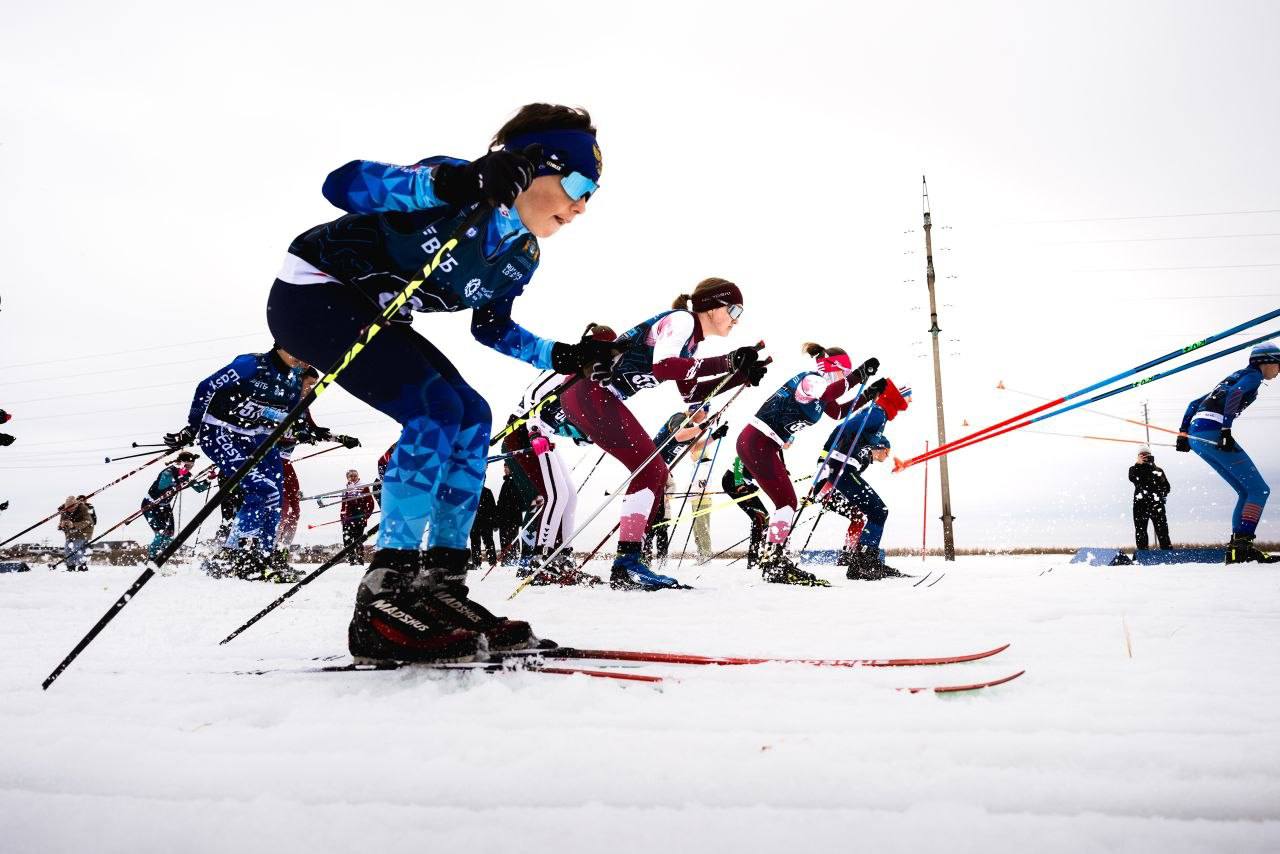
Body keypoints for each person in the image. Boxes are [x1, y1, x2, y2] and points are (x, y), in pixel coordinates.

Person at [264, 104, 620, 660]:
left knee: (472, 415)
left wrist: (564, 355)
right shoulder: (460, 185)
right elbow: (344, 185)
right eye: (576, 184)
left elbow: (492, 330)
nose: (581, 206)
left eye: (592, 194)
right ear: (532, 168)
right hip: (313, 292)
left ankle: (439, 585)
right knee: (434, 410)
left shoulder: (521, 255)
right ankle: (384, 595)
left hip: (380, 316)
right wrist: (455, 182)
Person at [560, 277, 766, 591]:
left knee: (653, 471)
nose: (737, 319)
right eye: (734, 309)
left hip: (592, 396)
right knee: (652, 469)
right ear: (712, 307)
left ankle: (630, 560)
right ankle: (627, 563)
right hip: (590, 392)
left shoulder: (691, 342)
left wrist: (740, 375)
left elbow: (691, 393)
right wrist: (728, 360)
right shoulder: (682, 320)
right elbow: (665, 367)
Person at [736, 343, 881, 584]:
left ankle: (774, 560)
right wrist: (859, 375)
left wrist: (868, 395)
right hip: (757, 441)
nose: (845, 377)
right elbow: (829, 392)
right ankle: (774, 562)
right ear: (834, 368)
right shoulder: (812, 380)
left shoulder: (823, 392)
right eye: (844, 372)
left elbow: (838, 412)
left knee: (785, 502)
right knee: (787, 502)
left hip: (763, 444)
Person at [166, 344, 306, 581]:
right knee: (261, 488)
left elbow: (283, 415)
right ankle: (237, 554)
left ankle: (264, 556)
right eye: (294, 349)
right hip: (219, 431)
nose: (299, 357)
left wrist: (301, 427)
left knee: (275, 493)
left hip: (253, 437)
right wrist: (192, 427)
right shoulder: (251, 365)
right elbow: (207, 386)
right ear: (280, 344)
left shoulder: (292, 381)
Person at [1177, 341, 1279, 563]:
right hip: (1213, 433)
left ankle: (1236, 550)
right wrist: (1226, 429)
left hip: (1198, 436)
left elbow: (1194, 403)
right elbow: (1236, 393)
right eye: (1278, 364)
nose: (1279, 370)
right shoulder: (1253, 376)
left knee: (1245, 491)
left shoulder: (1234, 376)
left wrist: (1183, 433)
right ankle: (1242, 547)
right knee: (1260, 490)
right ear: (1267, 361)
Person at [815, 382, 911, 580]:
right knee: (878, 511)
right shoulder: (877, 413)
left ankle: (861, 563)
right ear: (896, 398)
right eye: (907, 396)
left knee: (875, 512)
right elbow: (841, 428)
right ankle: (865, 563)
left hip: (843, 468)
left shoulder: (880, 415)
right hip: (841, 468)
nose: (910, 400)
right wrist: (823, 460)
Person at [277, 367, 361, 553]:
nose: (311, 390)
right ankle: (266, 550)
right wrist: (297, 433)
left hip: (285, 463)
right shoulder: (280, 400)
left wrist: (341, 439)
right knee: (282, 508)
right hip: (270, 460)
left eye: (314, 385)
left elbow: (316, 431)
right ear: (297, 381)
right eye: (308, 384)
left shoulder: (303, 408)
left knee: (294, 510)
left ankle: (282, 552)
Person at [140, 451, 211, 560]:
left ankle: (161, 559)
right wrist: (180, 476)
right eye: (187, 465)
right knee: (160, 534)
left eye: (191, 466)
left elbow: (199, 488)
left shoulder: (187, 475)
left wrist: (208, 480)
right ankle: (151, 559)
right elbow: (162, 486)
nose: (189, 468)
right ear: (180, 463)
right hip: (151, 505)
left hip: (165, 506)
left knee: (169, 536)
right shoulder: (168, 472)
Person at [722, 457, 770, 568]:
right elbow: (739, 459)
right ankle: (754, 559)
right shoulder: (763, 447)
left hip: (743, 481)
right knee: (760, 516)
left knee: (764, 517)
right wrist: (739, 484)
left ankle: (759, 556)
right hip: (734, 479)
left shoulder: (775, 451)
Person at [1129, 447, 1172, 551]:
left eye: (1146, 454)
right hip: (1140, 505)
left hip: (1156, 504)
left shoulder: (1158, 470)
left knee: (1162, 530)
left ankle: (1167, 553)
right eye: (1142, 455)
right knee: (1140, 531)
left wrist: (1161, 495)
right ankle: (1143, 554)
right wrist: (1138, 464)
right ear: (1138, 457)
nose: (1144, 457)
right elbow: (1133, 478)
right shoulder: (1134, 469)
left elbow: (1167, 487)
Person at [339, 469, 376, 565]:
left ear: (358, 476)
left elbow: (370, 503)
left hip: (359, 517)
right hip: (347, 519)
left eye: (355, 475)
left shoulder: (363, 487)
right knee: (347, 539)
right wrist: (342, 517)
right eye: (351, 476)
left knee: (358, 540)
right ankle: (351, 560)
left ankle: (359, 560)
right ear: (347, 478)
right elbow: (343, 505)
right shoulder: (346, 489)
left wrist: (365, 515)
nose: (353, 477)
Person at [57, 495, 95, 571]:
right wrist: (61, 526)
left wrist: (74, 525)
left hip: (84, 531)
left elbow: (88, 521)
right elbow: (61, 523)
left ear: (76, 505)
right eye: (69, 509)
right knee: (67, 549)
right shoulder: (64, 511)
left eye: (72, 508)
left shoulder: (83, 508)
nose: (70, 510)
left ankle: (82, 566)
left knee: (76, 547)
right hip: (70, 532)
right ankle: (71, 566)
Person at [468, 484, 499, 570]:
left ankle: (487, 562)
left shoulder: (483, 491)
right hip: (480, 522)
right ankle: (482, 562)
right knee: (480, 542)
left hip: (481, 522)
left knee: (483, 542)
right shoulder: (480, 491)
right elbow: (493, 508)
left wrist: (495, 523)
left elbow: (493, 508)